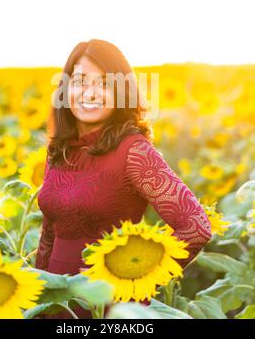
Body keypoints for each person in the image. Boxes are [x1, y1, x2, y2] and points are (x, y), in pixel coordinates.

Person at [35, 38, 212, 319]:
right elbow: (49, 234)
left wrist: (134, 282)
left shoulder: (134, 151)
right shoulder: (61, 149)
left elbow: (196, 227)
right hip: (57, 307)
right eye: (80, 81)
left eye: (104, 84)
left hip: (110, 311)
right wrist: (38, 298)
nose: (90, 93)